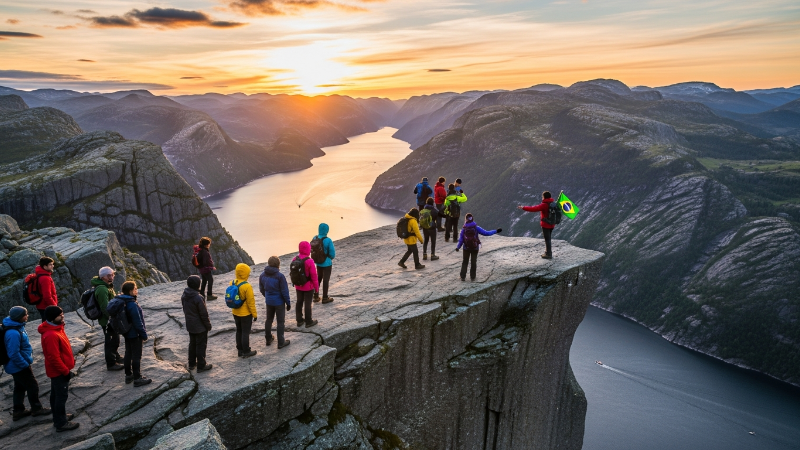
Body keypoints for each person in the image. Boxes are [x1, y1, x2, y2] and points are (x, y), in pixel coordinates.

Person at [4, 306, 51, 421]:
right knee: (32, 385)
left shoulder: (16, 326)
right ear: (19, 317)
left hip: (15, 365)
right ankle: (36, 409)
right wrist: (24, 364)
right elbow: (13, 353)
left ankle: (18, 411)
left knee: (19, 387)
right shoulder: (13, 333)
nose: (27, 316)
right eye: (25, 314)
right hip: (18, 365)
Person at [38, 306, 78, 431]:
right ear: (52, 317)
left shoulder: (56, 327)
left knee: (55, 395)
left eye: (62, 313)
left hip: (59, 370)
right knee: (61, 397)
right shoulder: (50, 335)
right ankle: (61, 423)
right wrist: (65, 371)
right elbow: (54, 358)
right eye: (60, 314)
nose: (63, 316)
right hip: (58, 371)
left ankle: (58, 417)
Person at [119, 282, 152, 387]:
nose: (137, 290)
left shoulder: (122, 300)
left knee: (128, 352)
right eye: (135, 289)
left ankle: (128, 375)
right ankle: (137, 378)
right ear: (130, 291)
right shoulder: (132, 304)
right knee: (136, 356)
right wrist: (144, 334)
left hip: (127, 332)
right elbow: (137, 322)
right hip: (135, 333)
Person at [92, 266, 123, 371]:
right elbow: (105, 307)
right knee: (111, 341)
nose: (111, 277)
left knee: (114, 339)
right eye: (108, 275)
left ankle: (116, 357)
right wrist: (112, 318)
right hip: (107, 320)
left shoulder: (107, 286)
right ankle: (111, 363)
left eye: (112, 274)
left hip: (111, 319)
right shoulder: (102, 289)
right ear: (102, 277)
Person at [456, 214, 501, 281]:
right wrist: (496, 231)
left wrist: (458, 247)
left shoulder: (464, 229)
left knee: (465, 261)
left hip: (466, 248)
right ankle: (473, 277)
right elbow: (486, 233)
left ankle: (462, 276)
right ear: (472, 219)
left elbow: (461, 239)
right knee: (473, 262)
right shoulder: (476, 227)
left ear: (466, 219)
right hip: (475, 247)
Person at [259, 256, 291, 349]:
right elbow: (285, 291)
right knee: (280, 322)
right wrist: (288, 303)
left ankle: (268, 339)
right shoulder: (280, 276)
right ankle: (281, 342)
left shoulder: (262, 275)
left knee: (269, 319)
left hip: (269, 301)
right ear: (278, 265)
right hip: (279, 302)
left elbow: (261, 289)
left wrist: (267, 296)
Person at [182, 275, 213, 372]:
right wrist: (208, 325)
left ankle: (191, 363)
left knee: (192, 344)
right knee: (201, 345)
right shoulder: (198, 298)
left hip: (190, 325)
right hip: (200, 327)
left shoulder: (184, 295)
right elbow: (204, 314)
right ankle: (201, 365)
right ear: (197, 285)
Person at [518, 191, 556, 259]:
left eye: (542, 196)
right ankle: (547, 252)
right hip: (552, 224)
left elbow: (533, 208)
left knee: (547, 239)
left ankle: (549, 254)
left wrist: (523, 207)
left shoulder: (544, 204)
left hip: (545, 224)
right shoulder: (553, 203)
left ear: (544, 197)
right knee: (548, 238)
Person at [231, 263, 258, 358]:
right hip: (245, 314)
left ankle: (240, 350)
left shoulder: (233, 282)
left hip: (235, 312)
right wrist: (254, 314)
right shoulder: (247, 286)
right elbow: (251, 302)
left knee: (239, 331)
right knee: (245, 332)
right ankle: (246, 351)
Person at [292, 242, 319, 328]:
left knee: (299, 301)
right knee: (307, 303)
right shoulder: (309, 261)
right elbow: (314, 276)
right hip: (308, 287)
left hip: (298, 285)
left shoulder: (294, 259)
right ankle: (308, 321)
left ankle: (299, 320)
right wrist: (316, 288)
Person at [311, 223, 336, 304]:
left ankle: (316, 296)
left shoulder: (315, 238)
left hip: (318, 262)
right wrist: (328, 258)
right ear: (327, 230)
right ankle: (325, 298)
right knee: (326, 280)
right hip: (327, 263)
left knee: (318, 278)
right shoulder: (328, 240)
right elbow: (332, 254)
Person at [34, 257, 58, 323]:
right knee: (49, 324)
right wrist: (54, 307)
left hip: (42, 305)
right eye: (50, 264)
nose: (53, 266)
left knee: (46, 323)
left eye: (52, 264)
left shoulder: (41, 274)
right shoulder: (45, 278)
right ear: (45, 266)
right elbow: (47, 296)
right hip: (46, 306)